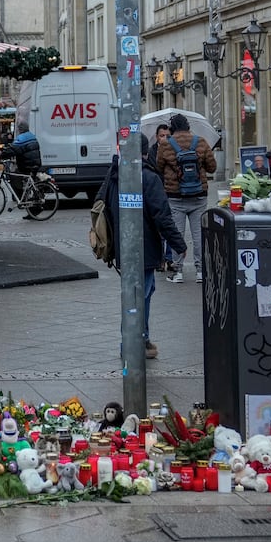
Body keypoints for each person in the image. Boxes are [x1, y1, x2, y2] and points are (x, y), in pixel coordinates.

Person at [94, 138, 184, 360]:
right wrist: (178, 244)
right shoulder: (149, 177)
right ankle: (132, 344)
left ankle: (141, 339)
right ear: (145, 153)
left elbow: (99, 202)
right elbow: (162, 216)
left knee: (138, 293)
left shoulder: (114, 174)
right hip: (144, 247)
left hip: (123, 246)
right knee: (139, 296)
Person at [154, 114, 215, 283]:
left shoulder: (165, 145)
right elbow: (212, 167)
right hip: (199, 196)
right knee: (199, 235)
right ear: (188, 126)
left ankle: (178, 271)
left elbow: (158, 167)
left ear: (172, 128)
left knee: (176, 234)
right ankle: (201, 272)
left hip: (175, 197)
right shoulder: (200, 142)